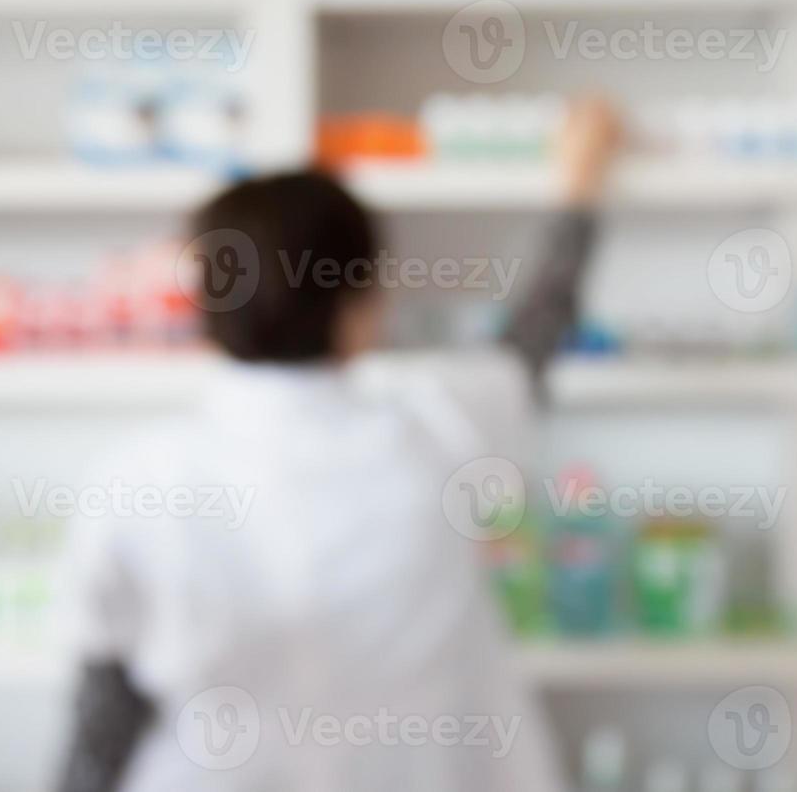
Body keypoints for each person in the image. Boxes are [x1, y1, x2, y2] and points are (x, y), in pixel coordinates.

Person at [57, 97, 622, 792]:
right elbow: (542, 326)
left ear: (203, 309)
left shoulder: (133, 475)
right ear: (361, 309)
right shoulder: (444, 423)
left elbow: (103, 713)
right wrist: (579, 185)